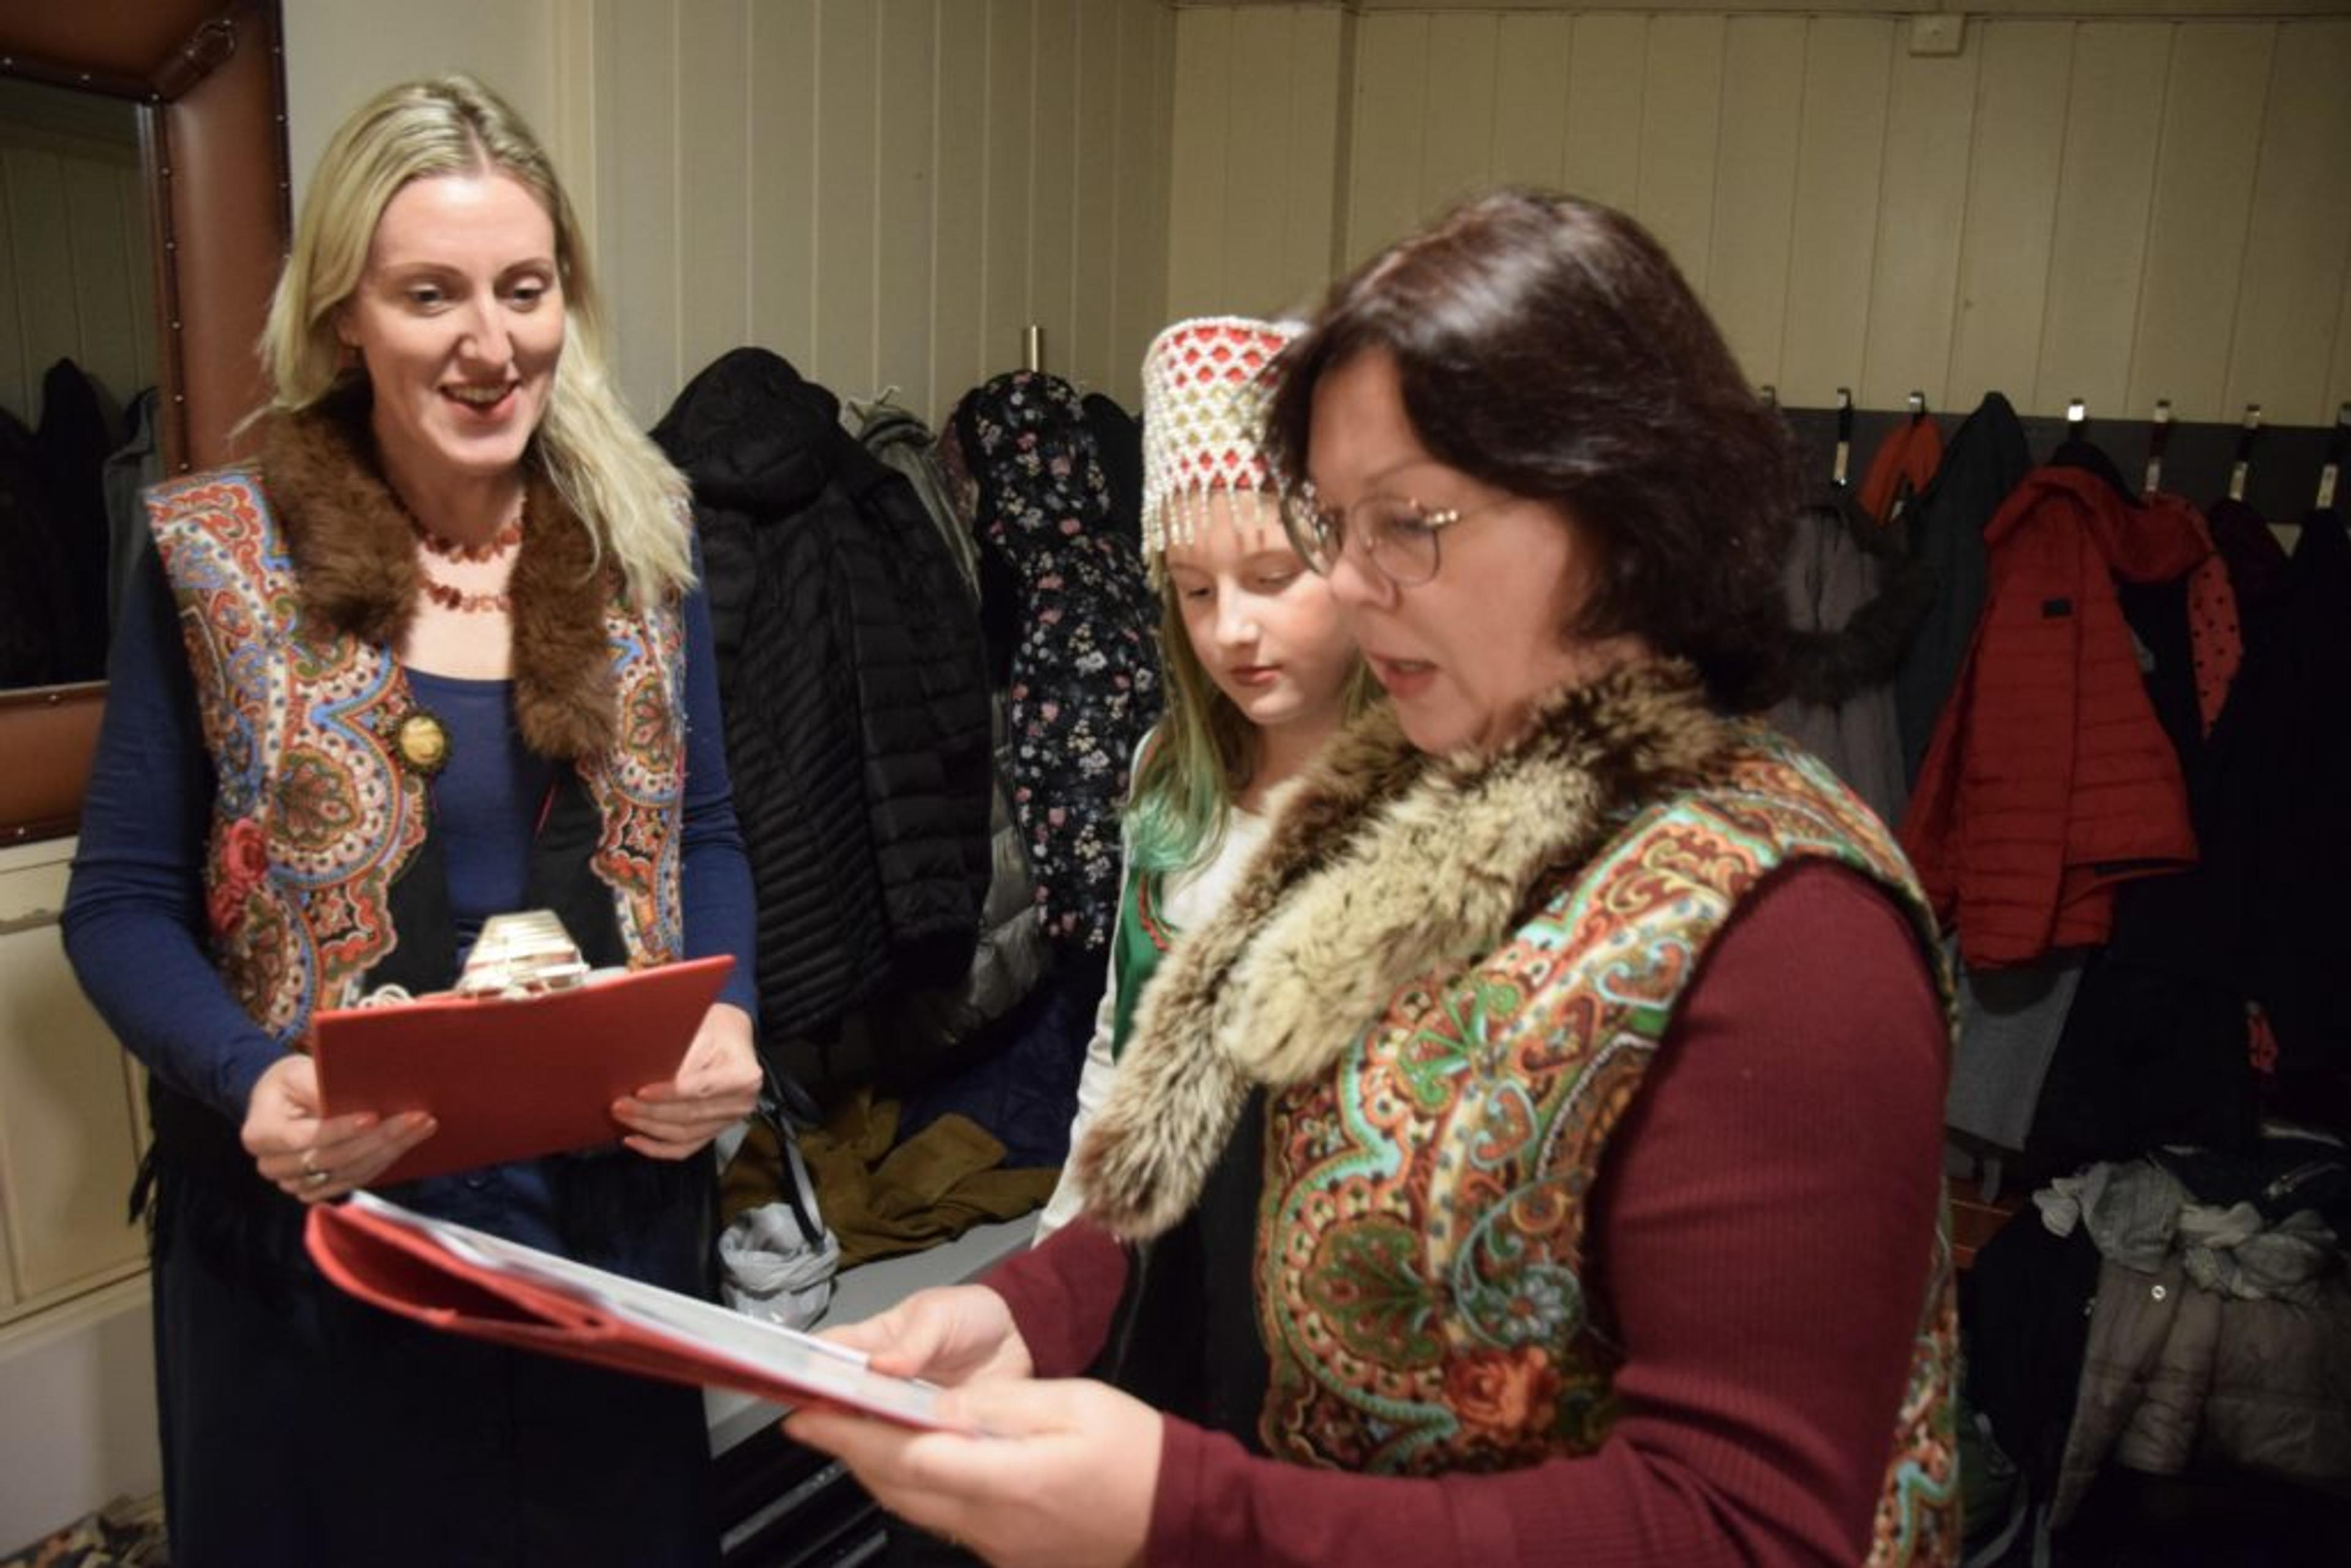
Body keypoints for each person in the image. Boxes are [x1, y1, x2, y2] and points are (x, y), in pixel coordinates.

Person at [786, 190, 1960, 1567]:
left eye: (1405, 522)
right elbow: (1220, 1160)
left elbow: (1742, 1529)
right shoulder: (1389, 794)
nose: (1347, 584)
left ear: (1613, 506)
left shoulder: (1785, 926)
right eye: (1335, 526)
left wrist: (1188, 1509)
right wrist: (1026, 1309)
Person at [61, 76, 760, 1566]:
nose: (490, 344)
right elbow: (117, 903)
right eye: (431, 294)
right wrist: (251, 1080)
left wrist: (729, 1023)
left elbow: (705, 838)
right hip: (322, 1254)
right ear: (343, 318)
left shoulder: (645, 540)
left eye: (526, 289)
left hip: (601, 1238)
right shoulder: (217, 557)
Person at [1033, 314, 1371, 1242]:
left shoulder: (1428, 809)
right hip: (1153, 1261)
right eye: (1194, 589)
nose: (1228, 631)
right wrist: (1058, 1253)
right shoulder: (1168, 771)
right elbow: (1121, 1045)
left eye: (1272, 577)